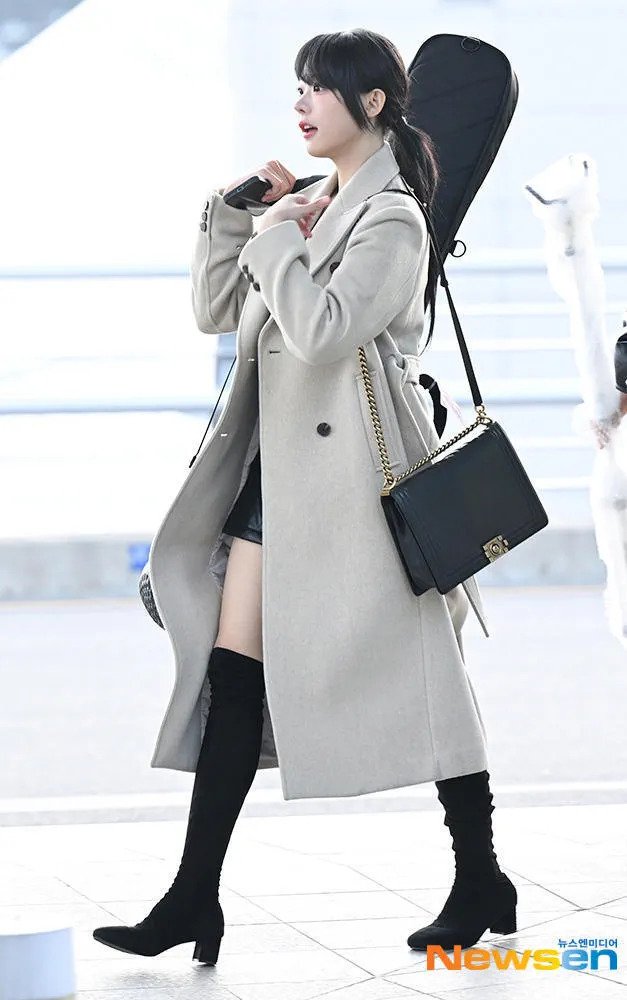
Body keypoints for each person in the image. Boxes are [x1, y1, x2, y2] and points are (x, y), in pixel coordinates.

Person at [93, 28, 516, 963]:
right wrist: (237, 216)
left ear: (371, 103)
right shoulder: (315, 208)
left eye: (318, 88)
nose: (300, 104)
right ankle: (192, 898)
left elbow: (324, 331)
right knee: (232, 679)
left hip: (362, 487)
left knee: (431, 681)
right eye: (296, 87)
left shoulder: (392, 220)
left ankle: (480, 873)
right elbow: (215, 312)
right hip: (275, 478)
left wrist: (282, 238)